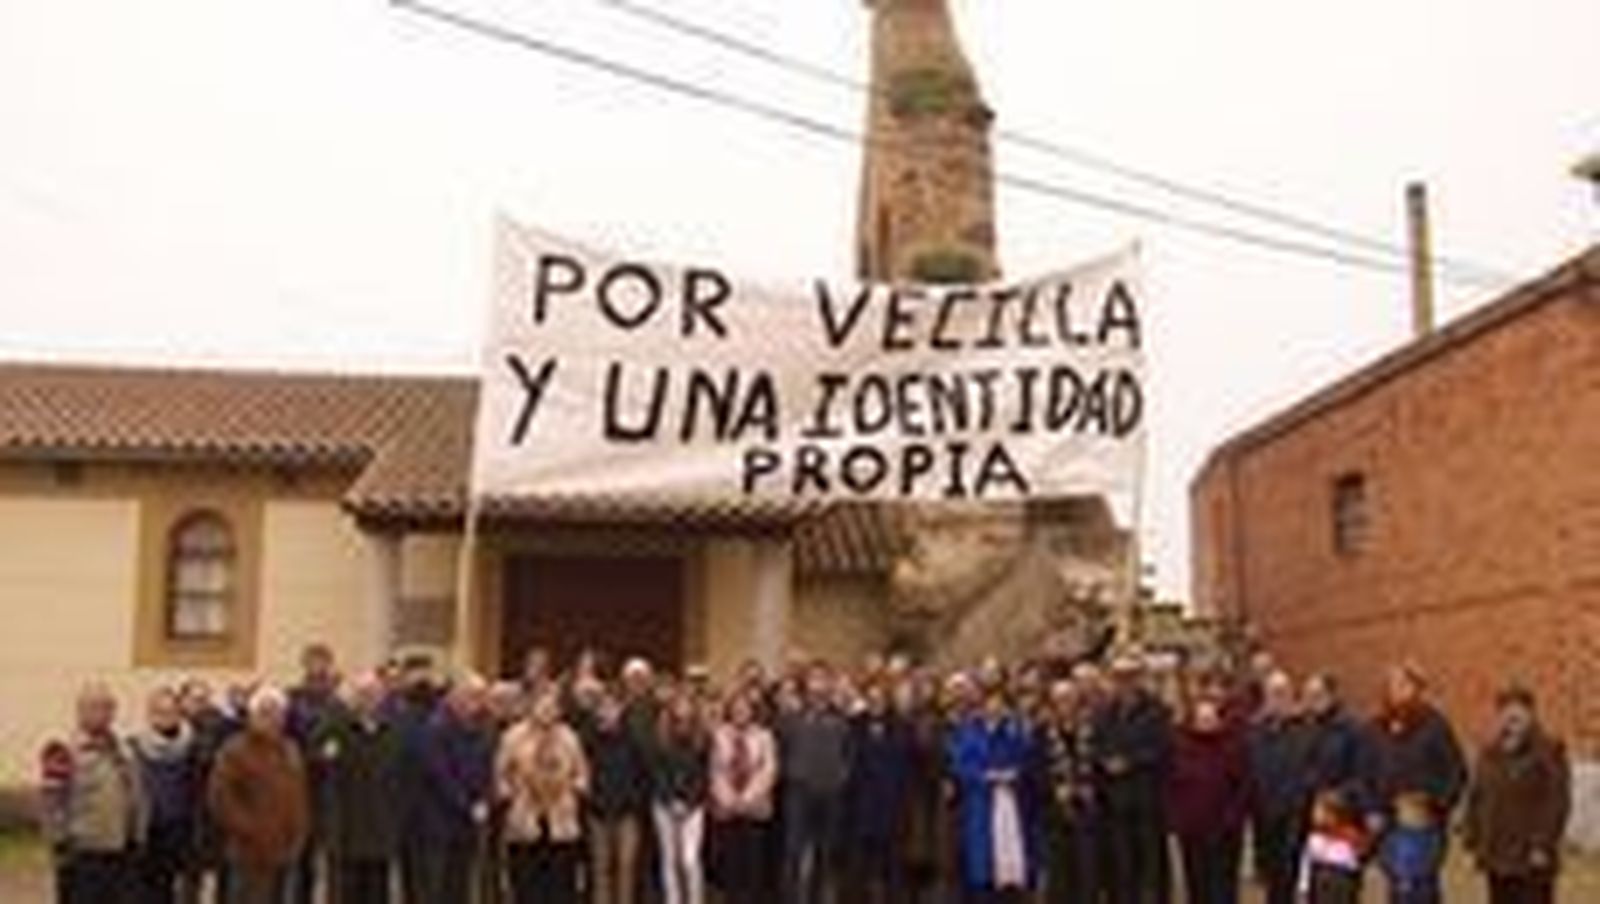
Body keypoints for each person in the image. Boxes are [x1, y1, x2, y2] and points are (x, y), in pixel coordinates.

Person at [1367, 663, 1466, 903]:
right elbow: (1365, 773)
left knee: (1421, 890)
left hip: (1424, 827)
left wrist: (1434, 803)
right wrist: (1371, 808)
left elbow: (1456, 773)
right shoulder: (1375, 728)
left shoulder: (1435, 726)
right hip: (1389, 824)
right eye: (1392, 685)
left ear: (1418, 689)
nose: (1397, 691)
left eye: (1404, 685)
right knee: (1396, 888)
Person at [1464, 684, 1572, 904]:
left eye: (1519, 711)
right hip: (1497, 854)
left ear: (1531, 714)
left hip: (1531, 857)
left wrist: (1543, 844)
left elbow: (1557, 801)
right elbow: (1477, 797)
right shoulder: (1490, 753)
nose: (1511, 718)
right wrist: (1472, 839)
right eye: (1505, 711)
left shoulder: (1549, 750)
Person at [41, 681, 147, 904]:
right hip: (84, 855)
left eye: (108, 707)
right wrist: (60, 845)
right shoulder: (62, 749)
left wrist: (138, 835)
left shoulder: (124, 748)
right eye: (95, 707)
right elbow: (52, 803)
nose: (103, 713)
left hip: (122, 851)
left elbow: (137, 794)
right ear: (80, 711)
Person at [207, 686, 310, 904]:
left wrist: (299, 831)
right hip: (249, 853)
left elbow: (299, 795)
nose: (272, 719)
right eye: (265, 713)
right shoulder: (234, 750)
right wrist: (252, 831)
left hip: (286, 851)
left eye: (278, 713)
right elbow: (220, 799)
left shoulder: (291, 749)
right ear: (252, 716)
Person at [319, 671, 405, 904]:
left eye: (374, 694)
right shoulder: (337, 728)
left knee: (378, 893)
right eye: (362, 694)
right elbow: (321, 761)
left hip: (381, 827)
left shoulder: (392, 730)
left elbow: (401, 778)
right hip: (347, 829)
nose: (369, 700)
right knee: (346, 894)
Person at [497, 688, 590, 904]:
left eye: (552, 707)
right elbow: (500, 775)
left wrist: (572, 789)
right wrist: (511, 794)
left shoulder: (570, 737)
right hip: (525, 819)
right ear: (532, 707)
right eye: (542, 706)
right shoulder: (513, 736)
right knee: (526, 883)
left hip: (561, 820)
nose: (547, 711)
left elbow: (583, 774)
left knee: (561, 883)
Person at [948, 687, 1039, 903]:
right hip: (981, 804)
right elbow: (960, 765)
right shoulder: (969, 732)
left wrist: (1014, 774)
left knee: (1010, 869)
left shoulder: (1014, 732)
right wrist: (985, 777)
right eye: (990, 703)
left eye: (999, 704)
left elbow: (1028, 761)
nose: (994, 708)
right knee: (982, 867)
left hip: (1011, 804)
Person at [1094, 654, 1172, 904]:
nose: (1125, 683)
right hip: (1116, 803)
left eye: (1130, 677)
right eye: (1119, 678)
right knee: (1122, 867)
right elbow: (1096, 745)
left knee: (1151, 866)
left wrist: (1130, 761)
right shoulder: (1105, 713)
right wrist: (1105, 760)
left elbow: (1161, 748)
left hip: (1146, 800)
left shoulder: (1156, 710)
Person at [416, 674, 495, 903]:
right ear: (455, 697)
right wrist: (469, 805)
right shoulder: (436, 727)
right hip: (439, 821)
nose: (478, 702)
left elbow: (486, 769)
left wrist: (484, 800)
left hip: (468, 821)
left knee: (460, 885)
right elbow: (440, 775)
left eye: (481, 696)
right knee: (437, 887)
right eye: (473, 696)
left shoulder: (482, 728)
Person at [777, 665, 853, 904]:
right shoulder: (791, 718)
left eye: (823, 679)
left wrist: (842, 775)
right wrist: (792, 773)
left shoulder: (841, 719)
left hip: (830, 793)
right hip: (799, 792)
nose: (818, 684)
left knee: (825, 852)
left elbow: (849, 753)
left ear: (829, 685)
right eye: (814, 679)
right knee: (793, 852)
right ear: (806, 684)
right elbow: (781, 749)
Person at [1165, 696, 1249, 904]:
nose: (1206, 724)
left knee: (1222, 888)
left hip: (1225, 832)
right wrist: (1178, 819)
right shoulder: (1181, 747)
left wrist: (1232, 818)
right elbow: (1171, 787)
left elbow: (1242, 787)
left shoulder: (1231, 747)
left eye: (1210, 719)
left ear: (1218, 721)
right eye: (1201, 719)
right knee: (1197, 885)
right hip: (1192, 830)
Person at [1245, 670, 1311, 904]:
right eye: (1273, 694)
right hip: (1264, 813)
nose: (1278, 699)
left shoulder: (1304, 728)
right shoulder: (1254, 730)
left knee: (1289, 873)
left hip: (1293, 813)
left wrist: (1298, 800)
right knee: (1271, 876)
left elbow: (1308, 769)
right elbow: (1250, 769)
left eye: (1283, 693)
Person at [131, 686, 200, 904]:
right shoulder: (134, 747)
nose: (165, 718)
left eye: (171, 712)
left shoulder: (192, 747)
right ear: (149, 714)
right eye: (159, 712)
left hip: (180, 833)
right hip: (147, 834)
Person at [844, 682, 911, 904]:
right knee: (859, 868)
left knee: (893, 867)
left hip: (892, 805)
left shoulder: (901, 726)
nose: (876, 703)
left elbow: (909, 765)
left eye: (880, 698)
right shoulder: (853, 725)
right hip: (861, 806)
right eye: (871, 698)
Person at [581, 691, 651, 904]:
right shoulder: (588, 739)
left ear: (620, 711)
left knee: (626, 867)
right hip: (597, 813)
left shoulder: (634, 739)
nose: (607, 712)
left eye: (612, 707)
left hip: (627, 814)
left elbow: (645, 775)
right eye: (603, 708)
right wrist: (591, 800)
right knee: (600, 868)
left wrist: (634, 802)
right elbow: (581, 774)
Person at [710, 690, 779, 904]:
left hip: (756, 807)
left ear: (752, 711)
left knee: (753, 864)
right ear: (730, 711)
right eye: (736, 708)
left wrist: (747, 799)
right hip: (727, 808)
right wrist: (730, 800)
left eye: (745, 708)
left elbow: (769, 770)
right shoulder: (719, 735)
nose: (740, 712)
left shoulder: (765, 735)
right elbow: (715, 771)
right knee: (731, 864)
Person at [285, 644, 342, 904]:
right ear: (304, 665)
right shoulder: (292, 700)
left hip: (331, 792)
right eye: (313, 662)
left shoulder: (338, 704)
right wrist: (316, 755)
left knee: (332, 862)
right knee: (300, 861)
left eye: (323, 663)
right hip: (299, 789)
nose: (318, 668)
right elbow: (287, 743)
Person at [1038, 679, 1100, 904]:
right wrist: (1054, 789)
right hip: (1056, 816)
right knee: (1060, 880)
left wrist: (1089, 786)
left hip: (1087, 813)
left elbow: (1099, 765)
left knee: (1087, 877)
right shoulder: (1042, 733)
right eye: (1059, 700)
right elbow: (1036, 771)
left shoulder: (1091, 730)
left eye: (1069, 698)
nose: (1065, 704)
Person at [651, 692, 712, 904]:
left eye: (687, 704)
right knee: (669, 859)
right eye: (679, 704)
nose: (683, 709)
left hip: (694, 807)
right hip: (663, 805)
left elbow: (704, 774)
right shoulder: (660, 736)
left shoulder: (703, 737)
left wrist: (688, 802)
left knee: (690, 860)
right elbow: (657, 773)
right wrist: (671, 801)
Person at [1299, 789, 1367, 904]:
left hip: (1339, 877)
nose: (1315, 815)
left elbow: (1356, 857)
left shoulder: (1348, 834)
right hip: (1325, 876)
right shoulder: (1315, 837)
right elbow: (1306, 862)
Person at [1376, 792, 1445, 904]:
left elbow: (1385, 855)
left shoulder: (1395, 834)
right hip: (1411, 882)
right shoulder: (1432, 834)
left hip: (1410, 882)